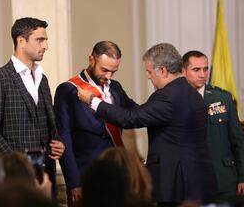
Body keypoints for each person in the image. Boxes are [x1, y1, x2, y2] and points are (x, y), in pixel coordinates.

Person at [78, 43, 218, 205]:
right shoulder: (192, 94)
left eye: (150, 71)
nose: (149, 76)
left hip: (176, 183)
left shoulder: (167, 96)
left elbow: (129, 119)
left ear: (163, 70)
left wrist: (92, 101)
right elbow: (144, 114)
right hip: (200, 180)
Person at [0, 17, 65, 192]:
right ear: (21, 41)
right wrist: (15, 161)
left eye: (46, 40)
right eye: (40, 40)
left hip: (46, 173)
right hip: (14, 177)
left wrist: (57, 143)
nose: (46, 46)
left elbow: (47, 123)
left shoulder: (42, 79)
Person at [53, 41, 137, 206]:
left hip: (117, 173)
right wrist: (74, 182)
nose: (108, 77)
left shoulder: (116, 87)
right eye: (104, 70)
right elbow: (65, 139)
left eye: (113, 72)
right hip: (87, 176)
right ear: (91, 59)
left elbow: (136, 114)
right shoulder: (68, 90)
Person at [182, 50, 244, 200]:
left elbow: (238, 141)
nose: (203, 74)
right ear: (183, 71)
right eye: (196, 70)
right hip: (189, 180)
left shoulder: (223, 98)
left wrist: (242, 177)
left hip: (223, 179)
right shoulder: (175, 99)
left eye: (205, 69)